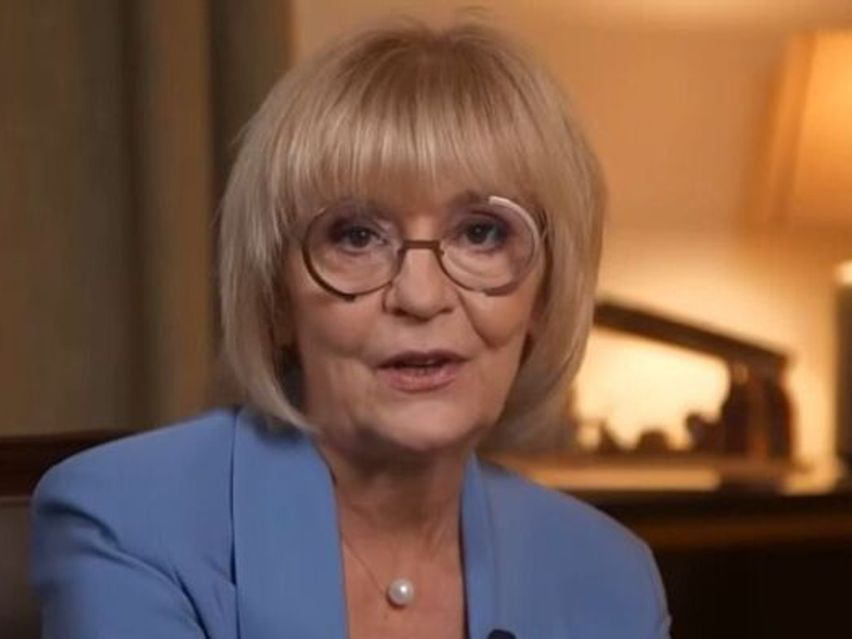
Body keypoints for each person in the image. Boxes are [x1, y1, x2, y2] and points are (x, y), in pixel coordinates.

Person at [31, 19, 670, 639]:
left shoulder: (610, 578)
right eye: (357, 236)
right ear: (277, 298)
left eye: (481, 233)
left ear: (543, 297)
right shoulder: (127, 521)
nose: (420, 296)